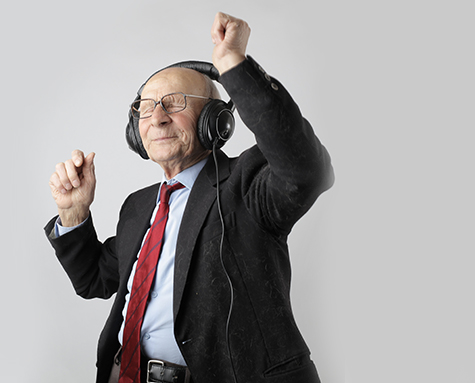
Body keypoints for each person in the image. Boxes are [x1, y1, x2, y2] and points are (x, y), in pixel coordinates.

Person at [45, 12, 333, 383]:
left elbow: (306, 169)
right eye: (145, 107)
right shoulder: (138, 206)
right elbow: (94, 282)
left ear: (215, 121)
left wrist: (234, 65)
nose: (158, 117)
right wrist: (73, 214)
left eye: (175, 102)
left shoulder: (246, 185)